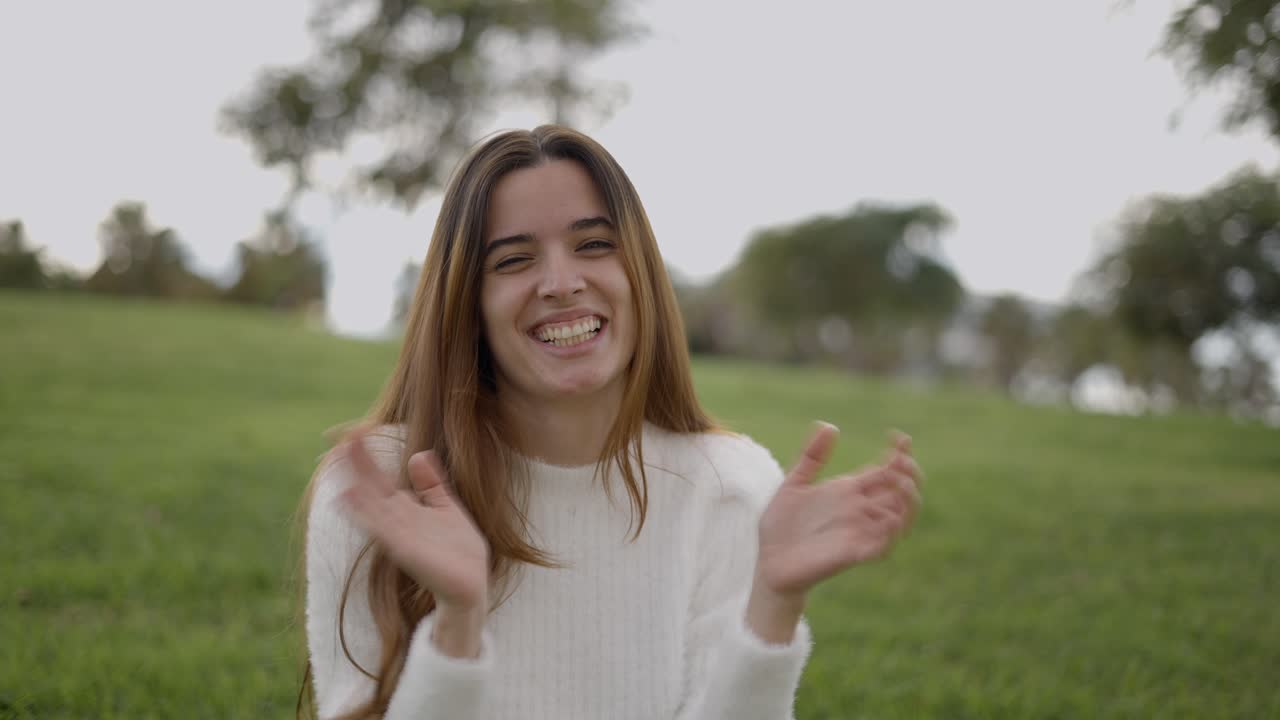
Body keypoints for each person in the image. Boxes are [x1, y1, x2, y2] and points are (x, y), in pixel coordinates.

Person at [299, 125, 922, 720]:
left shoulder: (729, 484)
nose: (563, 284)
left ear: (639, 275)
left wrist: (773, 608)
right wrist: (457, 625)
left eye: (594, 245)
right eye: (514, 260)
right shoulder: (381, 489)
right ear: (468, 303)